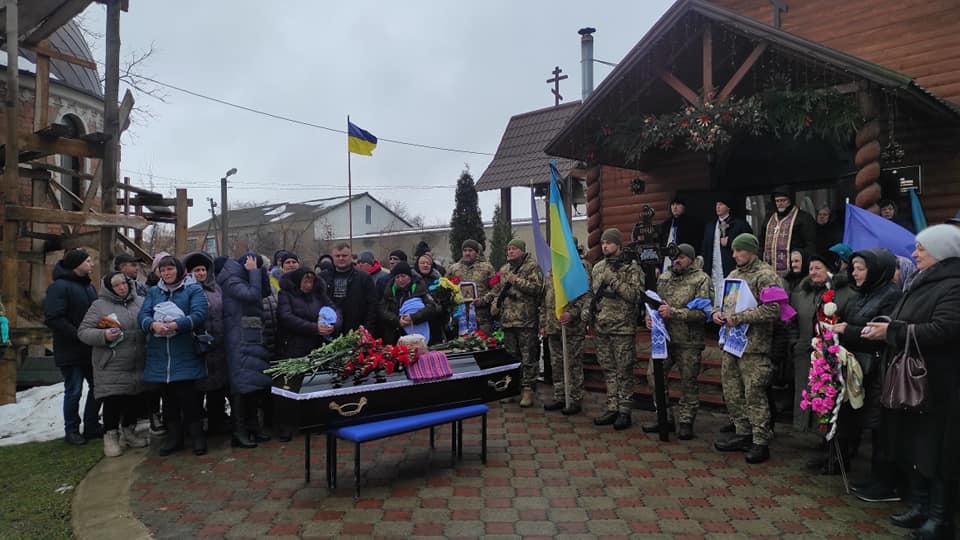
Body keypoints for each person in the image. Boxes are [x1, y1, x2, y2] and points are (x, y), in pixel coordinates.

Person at [863, 224, 960, 538]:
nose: (914, 254)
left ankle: (940, 519)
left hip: (940, 384)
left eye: (921, 248)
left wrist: (892, 332)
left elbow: (944, 329)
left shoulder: (954, 285)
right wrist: (887, 326)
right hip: (917, 384)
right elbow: (913, 320)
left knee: (938, 451)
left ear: (942, 251)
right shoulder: (923, 280)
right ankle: (920, 508)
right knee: (917, 447)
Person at [833, 249, 901, 502]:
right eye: (853, 268)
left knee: (878, 426)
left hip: (879, 369)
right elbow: (851, 318)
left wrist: (847, 329)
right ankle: (875, 477)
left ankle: (885, 482)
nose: (855, 273)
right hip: (858, 366)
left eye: (860, 268)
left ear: (876, 269)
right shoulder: (863, 292)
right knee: (864, 419)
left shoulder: (891, 295)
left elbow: (881, 330)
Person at [711, 233, 783, 464]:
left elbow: (773, 309)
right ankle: (743, 433)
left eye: (739, 250)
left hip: (755, 347)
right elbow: (723, 302)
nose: (734, 255)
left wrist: (741, 317)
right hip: (732, 344)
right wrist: (717, 314)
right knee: (732, 391)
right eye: (733, 251)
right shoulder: (734, 274)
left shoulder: (766, 275)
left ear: (751, 250)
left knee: (754, 393)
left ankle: (761, 440)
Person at [138, 255, 209, 456]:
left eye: (170, 269)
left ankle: (197, 437)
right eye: (163, 270)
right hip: (160, 353)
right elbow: (142, 315)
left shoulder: (193, 289)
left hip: (184, 350)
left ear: (179, 270)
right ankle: (174, 438)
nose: (167, 273)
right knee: (167, 398)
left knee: (188, 397)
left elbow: (200, 314)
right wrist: (152, 325)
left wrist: (178, 324)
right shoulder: (153, 292)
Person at [643, 243, 712, 440]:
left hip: (688, 341)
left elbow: (702, 313)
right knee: (653, 376)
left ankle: (686, 420)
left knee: (688, 382)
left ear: (690, 258)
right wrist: (650, 317)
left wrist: (675, 313)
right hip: (664, 339)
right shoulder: (664, 278)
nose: (677, 261)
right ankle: (664, 417)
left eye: (681, 257)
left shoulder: (701, 279)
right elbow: (655, 302)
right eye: (675, 258)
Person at [78, 271, 148, 457]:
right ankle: (110, 437)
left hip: (138, 361)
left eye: (124, 283)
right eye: (117, 285)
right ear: (110, 288)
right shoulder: (99, 306)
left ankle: (129, 432)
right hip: (112, 363)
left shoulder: (141, 302)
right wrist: (103, 336)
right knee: (113, 401)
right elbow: (83, 332)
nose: (122, 287)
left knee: (134, 398)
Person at [583, 228, 643, 430]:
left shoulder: (631, 267)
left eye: (609, 242)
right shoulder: (598, 267)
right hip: (602, 326)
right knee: (608, 369)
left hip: (623, 327)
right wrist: (586, 312)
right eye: (602, 243)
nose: (605, 246)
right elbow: (591, 293)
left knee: (624, 370)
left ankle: (625, 410)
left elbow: (635, 295)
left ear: (618, 244)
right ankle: (612, 406)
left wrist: (615, 281)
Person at [789, 254, 853, 440]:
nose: (813, 272)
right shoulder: (801, 293)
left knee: (827, 394)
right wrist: (795, 342)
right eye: (810, 269)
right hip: (804, 352)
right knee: (806, 392)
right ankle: (808, 432)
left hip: (829, 355)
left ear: (829, 270)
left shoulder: (842, 293)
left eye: (818, 268)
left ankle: (828, 438)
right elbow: (791, 321)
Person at [44, 248, 101, 446]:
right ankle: (72, 430)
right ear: (76, 264)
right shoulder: (59, 287)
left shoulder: (89, 287)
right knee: (74, 390)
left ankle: (92, 426)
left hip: (89, 347)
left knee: (98, 387)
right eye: (88, 261)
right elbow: (54, 317)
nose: (91, 264)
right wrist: (79, 334)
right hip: (70, 349)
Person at [276, 267, 340, 441]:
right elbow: (286, 317)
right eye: (305, 281)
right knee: (290, 386)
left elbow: (335, 310)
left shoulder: (319, 295)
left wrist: (334, 325)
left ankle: (311, 421)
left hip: (316, 347)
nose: (308, 284)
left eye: (311, 281)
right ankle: (286, 426)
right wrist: (314, 328)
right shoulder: (286, 294)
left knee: (314, 384)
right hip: (293, 347)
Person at [217, 253, 273, 449]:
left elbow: (264, 292)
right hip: (238, 338)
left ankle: (253, 426)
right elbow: (251, 294)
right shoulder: (231, 280)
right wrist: (254, 272)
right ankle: (238, 431)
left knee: (253, 383)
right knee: (241, 385)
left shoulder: (245, 276)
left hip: (250, 335)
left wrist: (260, 272)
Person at [486, 239, 544, 408]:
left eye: (514, 249)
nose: (510, 252)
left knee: (528, 357)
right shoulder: (504, 269)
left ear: (522, 251)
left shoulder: (532, 267)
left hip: (526, 320)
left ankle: (528, 390)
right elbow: (499, 290)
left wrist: (516, 280)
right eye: (508, 249)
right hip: (508, 321)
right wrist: (495, 303)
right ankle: (512, 388)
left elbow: (537, 289)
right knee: (511, 356)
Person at [183, 251, 230, 435]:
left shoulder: (216, 289)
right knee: (197, 389)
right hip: (197, 346)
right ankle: (195, 426)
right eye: (196, 270)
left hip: (218, 345)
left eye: (203, 269)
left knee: (217, 387)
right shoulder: (185, 291)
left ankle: (216, 422)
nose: (201, 273)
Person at [540, 255, 592, 416]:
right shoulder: (551, 273)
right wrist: (543, 323)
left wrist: (572, 313)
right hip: (553, 326)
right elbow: (544, 301)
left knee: (572, 364)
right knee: (557, 364)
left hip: (571, 328)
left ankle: (575, 398)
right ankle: (560, 396)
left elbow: (584, 296)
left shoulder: (575, 271)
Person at [702, 196, 752, 304]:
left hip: (731, 268)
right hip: (714, 269)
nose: (718, 207)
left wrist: (730, 242)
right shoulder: (710, 226)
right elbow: (705, 249)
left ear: (728, 207)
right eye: (717, 205)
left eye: (721, 204)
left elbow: (748, 245)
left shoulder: (740, 225)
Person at [320, 243, 378, 333]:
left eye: (344, 255)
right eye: (337, 256)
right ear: (333, 257)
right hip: (329, 330)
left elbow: (372, 306)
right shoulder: (322, 277)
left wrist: (367, 329)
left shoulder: (364, 278)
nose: (341, 258)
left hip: (356, 330)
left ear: (351, 257)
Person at [760, 186, 817, 276]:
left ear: (790, 200)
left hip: (794, 272)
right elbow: (761, 243)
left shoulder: (803, 218)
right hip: (769, 272)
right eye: (777, 201)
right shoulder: (769, 219)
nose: (780, 204)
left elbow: (811, 244)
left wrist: (801, 259)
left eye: (783, 200)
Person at [380, 261, 437, 345]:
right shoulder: (389, 293)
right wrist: (397, 320)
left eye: (403, 276)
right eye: (397, 277)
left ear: (409, 276)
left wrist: (413, 318)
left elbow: (432, 307)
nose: (400, 280)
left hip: (418, 338)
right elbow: (382, 311)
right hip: (395, 337)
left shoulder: (420, 290)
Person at [447, 239, 496, 334]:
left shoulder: (487, 267)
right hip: (461, 318)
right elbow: (446, 289)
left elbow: (496, 288)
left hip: (481, 318)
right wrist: (453, 299)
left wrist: (484, 300)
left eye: (470, 250)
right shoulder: (453, 269)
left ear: (477, 252)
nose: (467, 253)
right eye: (465, 251)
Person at [659, 196, 703, 272]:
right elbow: (660, 245)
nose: (675, 207)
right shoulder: (665, 225)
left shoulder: (692, 224)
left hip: (684, 263)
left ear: (684, 207)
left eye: (678, 204)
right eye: (673, 205)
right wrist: (657, 266)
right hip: (666, 262)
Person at [413, 253, 449, 344]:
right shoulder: (412, 280)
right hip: (419, 319)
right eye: (422, 263)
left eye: (428, 263)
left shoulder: (439, 280)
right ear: (417, 265)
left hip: (436, 320)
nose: (425, 265)